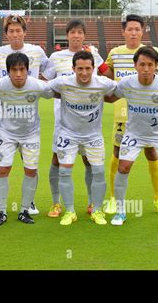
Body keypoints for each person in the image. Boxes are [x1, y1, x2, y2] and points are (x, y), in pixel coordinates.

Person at [107, 46, 158, 229]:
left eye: (150, 65)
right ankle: (120, 211)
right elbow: (110, 98)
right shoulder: (127, 83)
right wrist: (86, 92)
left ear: (156, 66)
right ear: (135, 65)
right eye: (142, 64)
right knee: (124, 166)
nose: (146, 69)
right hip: (134, 134)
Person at [103, 14, 158, 216]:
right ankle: (114, 199)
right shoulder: (115, 53)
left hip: (148, 115)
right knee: (117, 154)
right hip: (123, 114)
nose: (133, 32)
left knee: (152, 153)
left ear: (142, 31)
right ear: (123, 31)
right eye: (130, 29)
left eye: (137, 29)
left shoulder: (153, 52)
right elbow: (107, 77)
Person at [41, 19, 109, 218]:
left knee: (90, 161)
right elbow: (45, 82)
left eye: (80, 32)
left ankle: (91, 203)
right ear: (67, 35)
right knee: (57, 160)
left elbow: (107, 76)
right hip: (62, 120)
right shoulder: (56, 57)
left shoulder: (93, 54)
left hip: (89, 121)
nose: (76, 36)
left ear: (84, 35)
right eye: (73, 32)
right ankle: (56, 203)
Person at [0, 14, 49, 216]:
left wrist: (37, 85)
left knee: (29, 160)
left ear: (24, 31)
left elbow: (49, 70)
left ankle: (28, 203)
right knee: (1, 161)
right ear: (6, 34)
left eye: (18, 30)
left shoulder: (36, 51)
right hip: (3, 114)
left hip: (29, 112)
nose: (15, 34)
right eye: (11, 30)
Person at [47, 50, 116, 226]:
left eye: (87, 69)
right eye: (80, 69)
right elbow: (43, 88)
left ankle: (97, 209)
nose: (84, 73)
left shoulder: (102, 83)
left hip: (93, 136)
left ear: (93, 68)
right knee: (64, 171)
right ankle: (70, 211)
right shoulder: (63, 82)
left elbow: (122, 89)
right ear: (73, 69)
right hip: (68, 134)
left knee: (98, 172)